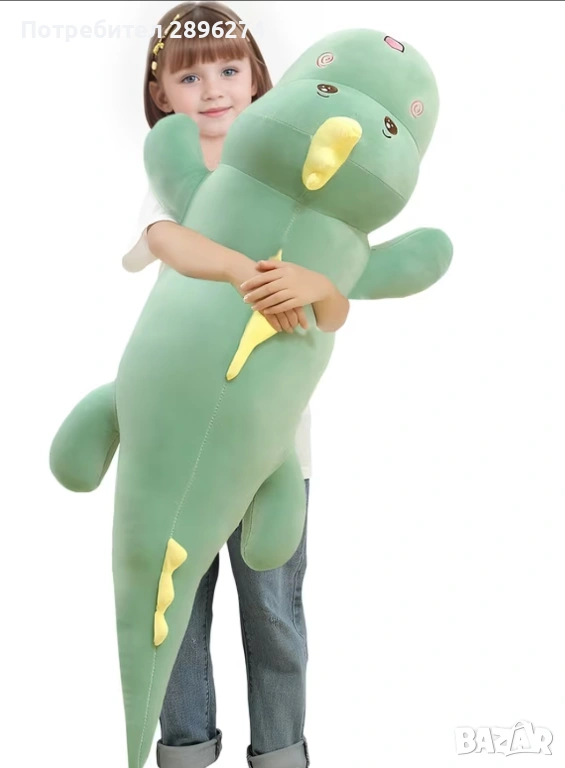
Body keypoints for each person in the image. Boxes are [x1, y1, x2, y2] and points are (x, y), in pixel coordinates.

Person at [121, 4, 350, 767]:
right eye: (189, 77)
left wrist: (318, 282)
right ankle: (185, 748)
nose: (213, 88)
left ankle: (281, 750)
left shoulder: (301, 182)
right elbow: (165, 239)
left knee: (274, 610)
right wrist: (237, 267)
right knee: (174, 606)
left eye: (228, 69)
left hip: (272, 443)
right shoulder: (178, 180)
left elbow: (335, 307)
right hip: (178, 440)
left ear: (257, 79)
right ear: (161, 95)